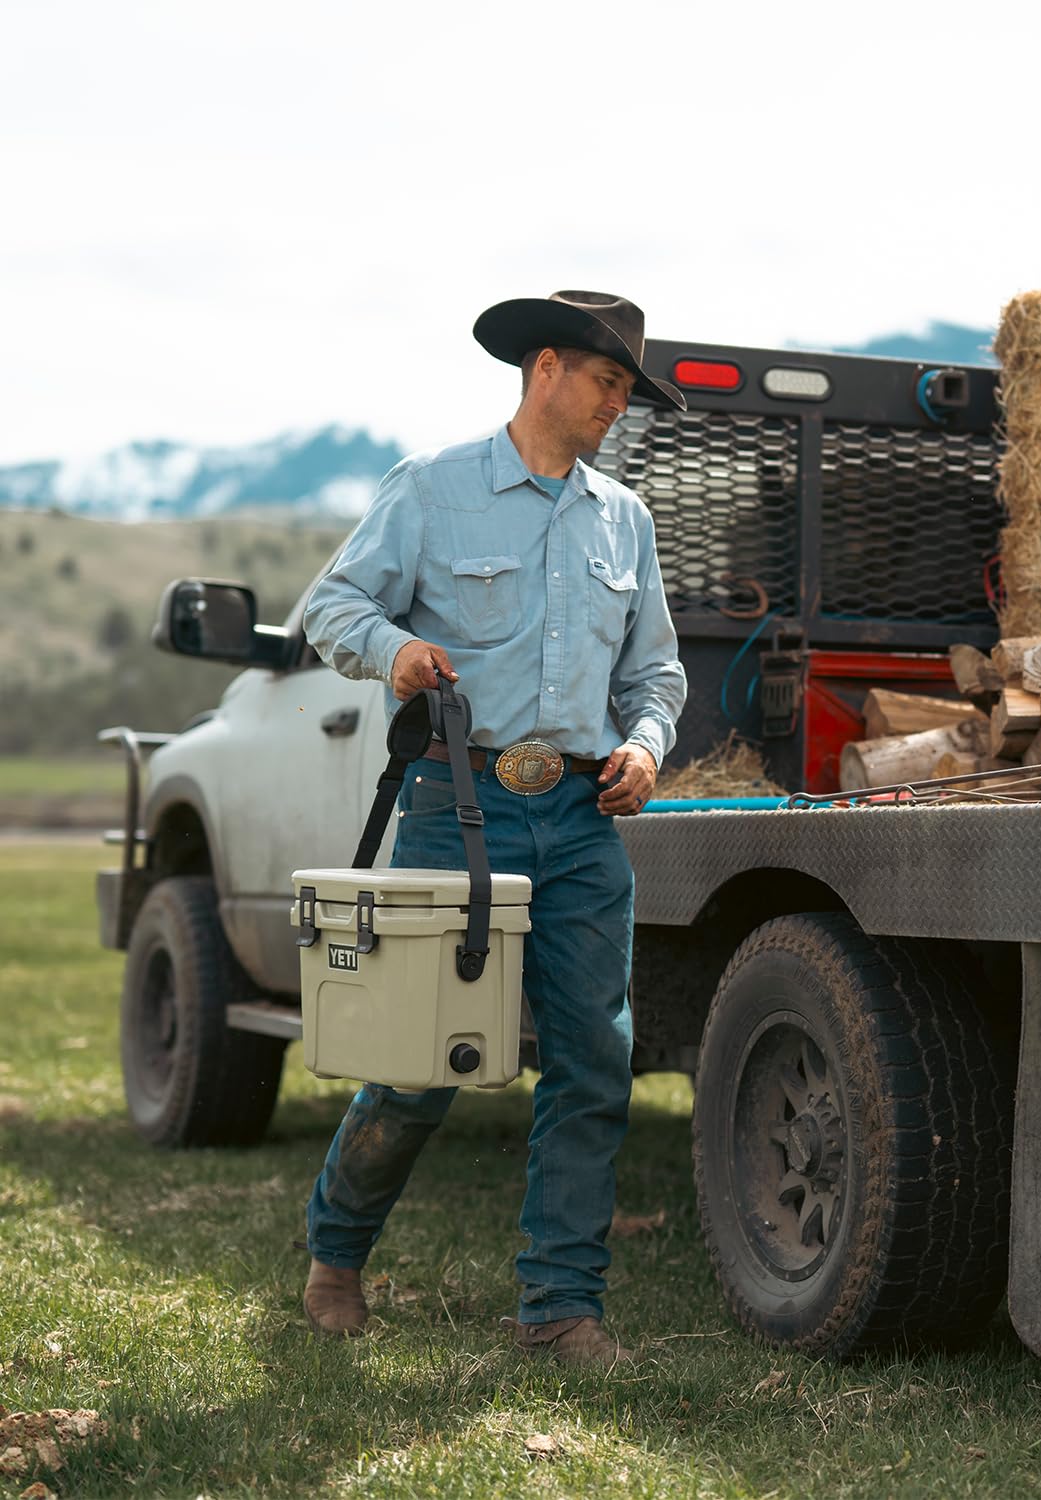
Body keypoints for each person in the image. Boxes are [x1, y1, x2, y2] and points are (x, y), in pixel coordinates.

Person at [297, 290, 688, 1367]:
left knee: (592, 1062)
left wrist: (646, 746)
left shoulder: (626, 518)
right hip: (455, 807)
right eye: (608, 383)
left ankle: (559, 1312)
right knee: (421, 1067)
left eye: (626, 391)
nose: (618, 406)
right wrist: (398, 653)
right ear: (547, 368)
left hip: (579, 816)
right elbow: (330, 608)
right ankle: (336, 1251)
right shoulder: (432, 489)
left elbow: (654, 673)